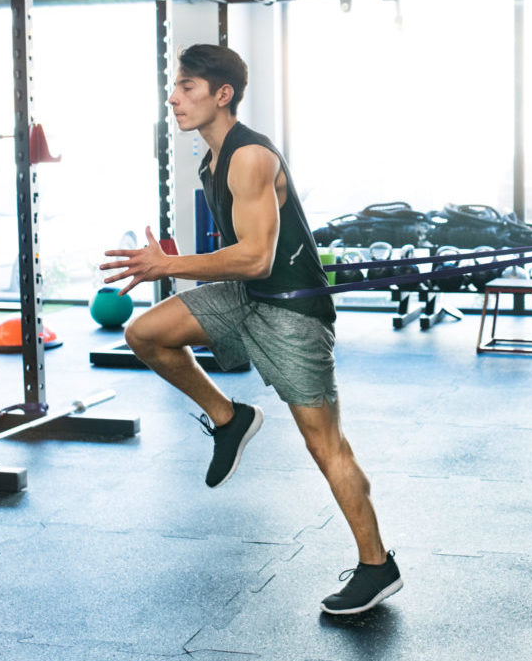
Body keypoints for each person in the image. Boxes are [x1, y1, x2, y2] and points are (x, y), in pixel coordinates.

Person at [100, 44, 401, 614]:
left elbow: (257, 257)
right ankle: (229, 416)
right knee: (144, 334)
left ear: (223, 94)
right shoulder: (210, 161)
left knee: (325, 446)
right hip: (249, 297)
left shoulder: (251, 158)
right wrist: (172, 264)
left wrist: (168, 264)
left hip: (291, 311)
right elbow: (244, 265)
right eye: (174, 87)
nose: (174, 98)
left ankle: (377, 566)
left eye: (187, 87)